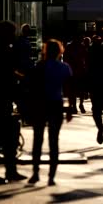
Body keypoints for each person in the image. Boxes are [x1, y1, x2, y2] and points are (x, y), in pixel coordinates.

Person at [27, 39, 73, 186]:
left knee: (38, 139)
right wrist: (70, 108)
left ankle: (35, 173)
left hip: (41, 104)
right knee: (54, 141)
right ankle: (51, 176)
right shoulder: (64, 68)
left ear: (45, 51)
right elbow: (69, 89)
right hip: (56, 105)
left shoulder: (40, 66)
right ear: (60, 51)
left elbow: (32, 88)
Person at [0, 20, 28, 184]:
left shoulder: (6, 50)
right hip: (2, 100)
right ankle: (11, 171)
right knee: (9, 137)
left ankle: (11, 171)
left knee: (8, 137)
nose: (13, 36)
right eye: (11, 33)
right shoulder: (4, 51)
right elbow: (8, 76)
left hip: (5, 100)